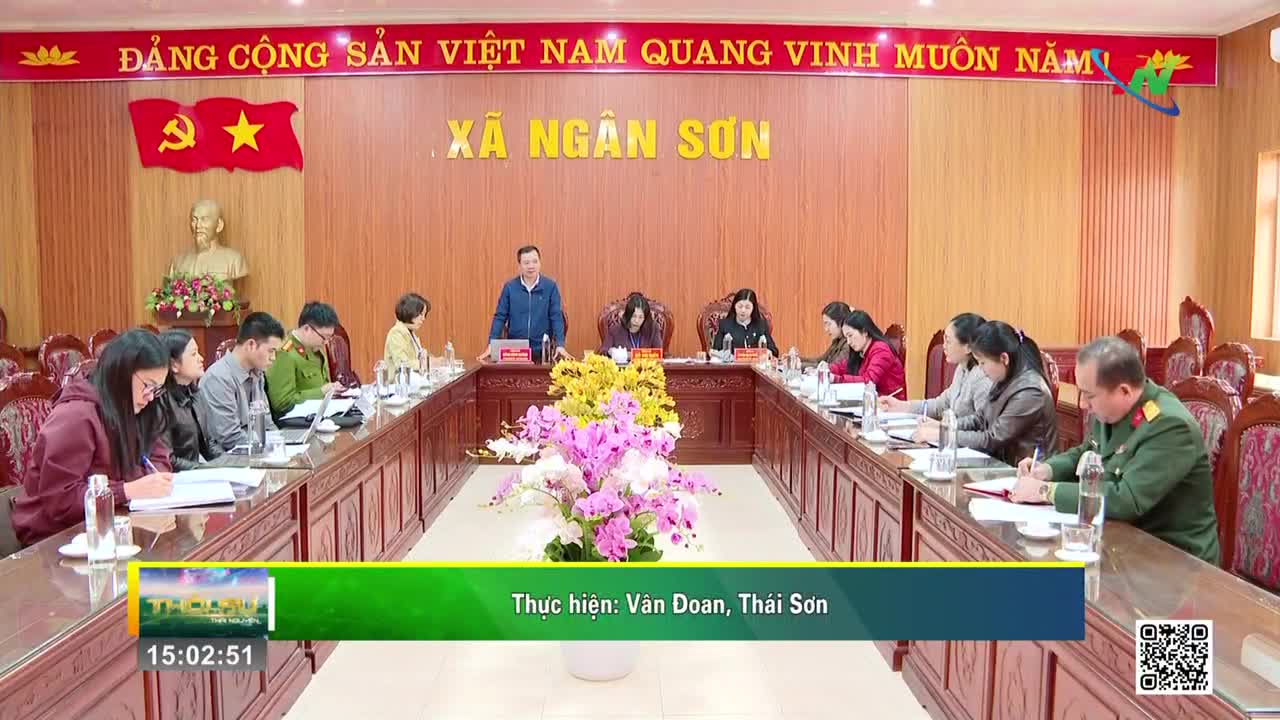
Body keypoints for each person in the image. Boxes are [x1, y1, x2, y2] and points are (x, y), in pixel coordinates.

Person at [1010, 336, 1220, 564]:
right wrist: (1047, 470)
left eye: (1089, 395)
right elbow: (1087, 451)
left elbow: (1127, 499)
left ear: (1124, 391)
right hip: (1121, 543)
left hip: (1173, 559)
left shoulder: (1170, 426)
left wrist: (1046, 492)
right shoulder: (1113, 410)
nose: (1082, 404)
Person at [11, 330, 175, 546]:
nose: (151, 396)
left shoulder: (138, 408)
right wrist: (127, 490)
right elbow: (61, 500)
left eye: (157, 389)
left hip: (115, 523)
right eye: (148, 385)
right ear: (120, 373)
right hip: (57, 537)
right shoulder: (76, 415)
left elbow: (159, 460)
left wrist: (152, 482)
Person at [918, 321, 1055, 466]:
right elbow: (980, 419)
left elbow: (992, 439)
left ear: (1004, 359)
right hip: (1000, 465)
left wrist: (945, 435)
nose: (981, 370)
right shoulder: (1004, 377)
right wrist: (944, 427)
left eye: (982, 363)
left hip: (1028, 471)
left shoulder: (1030, 391)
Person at [197, 312, 285, 451]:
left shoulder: (257, 373)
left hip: (254, 450)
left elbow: (267, 424)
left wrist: (280, 444)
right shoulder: (218, 378)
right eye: (271, 351)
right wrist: (268, 447)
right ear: (251, 344)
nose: (273, 357)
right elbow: (229, 438)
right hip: (229, 456)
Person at [881, 312, 991, 421]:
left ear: (968, 347)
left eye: (948, 341)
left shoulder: (983, 378)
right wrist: (902, 406)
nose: (944, 346)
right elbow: (940, 406)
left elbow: (984, 427)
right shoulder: (962, 369)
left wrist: (941, 427)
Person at [484, 245, 567, 362]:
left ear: (540, 263)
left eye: (535, 261)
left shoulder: (550, 287)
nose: (531, 266)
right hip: (516, 352)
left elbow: (556, 317)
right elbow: (500, 317)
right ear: (520, 266)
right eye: (526, 263)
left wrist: (560, 345)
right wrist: (491, 344)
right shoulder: (510, 287)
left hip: (542, 351)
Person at [266, 302, 344, 419]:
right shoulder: (285, 353)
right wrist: (321, 392)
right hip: (296, 422)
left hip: (319, 415)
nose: (326, 342)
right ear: (307, 329)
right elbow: (282, 403)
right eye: (324, 337)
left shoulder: (315, 348)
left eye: (329, 338)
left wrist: (332, 390)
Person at [156, 329, 221, 470]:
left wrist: (234, 465)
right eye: (193, 354)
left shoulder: (195, 393)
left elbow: (209, 445)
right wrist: (206, 470)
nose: (201, 358)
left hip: (195, 473)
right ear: (174, 364)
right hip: (176, 478)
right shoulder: (159, 401)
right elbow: (168, 460)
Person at [829, 310, 905, 398]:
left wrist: (836, 379)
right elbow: (844, 366)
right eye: (846, 338)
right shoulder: (862, 351)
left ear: (865, 332)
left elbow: (869, 382)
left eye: (850, 335)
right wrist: (826, 370)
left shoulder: (881, 350)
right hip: (872, 400)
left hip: (889, 403)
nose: (848, 342)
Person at [712, 288, 778, 357]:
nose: (743, 310)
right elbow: (715, 351)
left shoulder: (761, 325)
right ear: (734, 306)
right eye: (740, 306)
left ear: (753, 308)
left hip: (755, 363)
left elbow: (774, 350)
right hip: (732, 363)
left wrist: (768, 352)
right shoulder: (724, 325)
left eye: (747, 307)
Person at [384, 292, 431, 369]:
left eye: (424, 315)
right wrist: (427, 363)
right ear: (410, 312)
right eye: (421, 314)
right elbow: (402, 364)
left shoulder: (410, 332)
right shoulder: (396, 333)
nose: (423, 319)